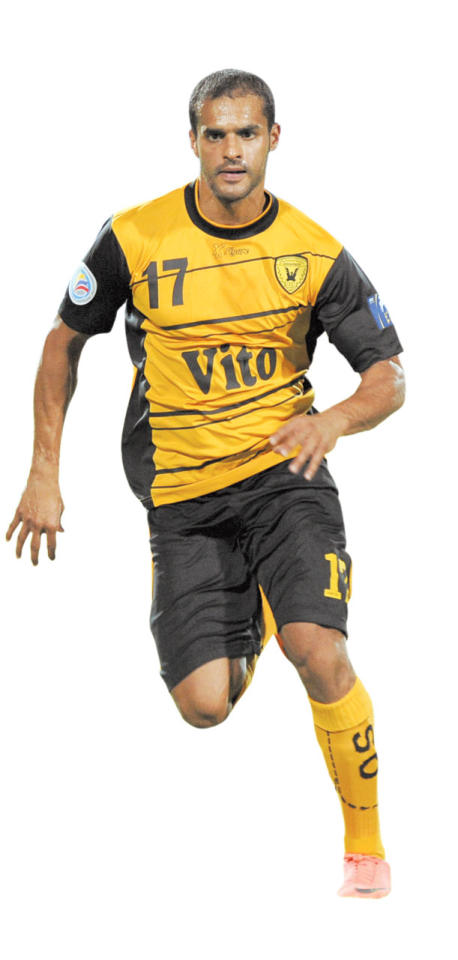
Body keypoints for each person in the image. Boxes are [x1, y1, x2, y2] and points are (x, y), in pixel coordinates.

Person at [6, 69, 404, 898]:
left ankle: (365, 849)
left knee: (318, 650)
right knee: (203, 708)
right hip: (182, 495)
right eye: (215, 134)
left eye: (246, 133)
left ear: (273, 139)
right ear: (192, 140)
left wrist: (330, 422)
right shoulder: (135, 236)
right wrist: (44, 469)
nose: (231, 151)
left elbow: (388, 377)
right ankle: (258, 602)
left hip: (285, 478)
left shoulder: (313, 251)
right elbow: (61, 341)